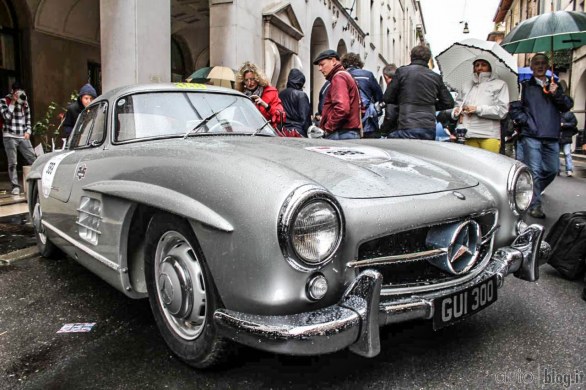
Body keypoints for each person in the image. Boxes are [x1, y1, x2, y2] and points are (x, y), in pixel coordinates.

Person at [509, 53, 574, 219]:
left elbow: (567, 106)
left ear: (548, 66)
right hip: (531, 134)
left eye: (543, 63)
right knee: (535, 171)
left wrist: (556, 94)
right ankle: (535, 205)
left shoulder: (556, 86)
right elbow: (515, 109)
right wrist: (527, 122)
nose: (539, 66)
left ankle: (527, 191)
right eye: (536, 63)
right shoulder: (523, 86)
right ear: (531, 67)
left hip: (552, 135)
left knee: (552, 170)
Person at [383, 45, 454, 140]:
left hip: (407, 125)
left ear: (411, 56)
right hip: (428, 128)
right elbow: (448, 102)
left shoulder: (402, 72)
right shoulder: (435, 77)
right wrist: (430, 105)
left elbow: (387, 97)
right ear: (428, 59)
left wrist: (403, 101)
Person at [451, 55, 509, 153]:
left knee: (489, 166)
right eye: (477, 65)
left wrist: (477, 109)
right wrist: (456, 111)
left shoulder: (500, 84)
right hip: (468, 134)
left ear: (490, 67)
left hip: (489, 135)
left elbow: (503, 111)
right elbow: (458, 104)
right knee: (469, 167)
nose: (479, 68)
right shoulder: (466, 84)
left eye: (483, 65)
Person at [312, 49, 361, 140]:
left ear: (333, 61)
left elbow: (342, 108)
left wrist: (327, 128)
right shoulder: (344, 75)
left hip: (341, 133)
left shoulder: (339, 77)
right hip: (347, 132)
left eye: (322, 64)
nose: (320, 69)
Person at [0, 82, 36, 195]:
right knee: (12, 163)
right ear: (12, 91)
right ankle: (15, 186)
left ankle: (37, 182)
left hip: (23, 135)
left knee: (33, 158)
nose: (20, 93)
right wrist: (13, 101)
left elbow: (28, 117)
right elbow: (6, 117)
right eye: (17, 91)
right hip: (9, 136)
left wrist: (28, 131)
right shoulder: (3, 101)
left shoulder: (24, 100)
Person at [340, 52, 383, 138]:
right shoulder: (367, 75)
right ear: (359, 63)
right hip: (367, 122)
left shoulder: (340, 76)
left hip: (347, 124)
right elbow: (379, 96)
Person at [236, 62, 285, 130]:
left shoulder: (270, 92)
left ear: (258, 78)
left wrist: (266, 106)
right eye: (246, 80)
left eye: (252, 79)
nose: (249, 83)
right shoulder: (242, 95)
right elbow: (237, 118)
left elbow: (280, 117)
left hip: (267, 134)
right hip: (247, 133)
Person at [278, 69, 311, 137]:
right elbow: (305, 118)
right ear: (300, 82)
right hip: (298, 132)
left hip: (283, 131)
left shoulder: (281, 94)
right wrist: (308, 133)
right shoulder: (301, 95)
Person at [380, 64, 399, 137]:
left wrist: (383, 130)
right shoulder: (402, 85)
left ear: (386, 77)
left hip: (393, 130)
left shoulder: (391, 90)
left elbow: (390, 114)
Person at [559, 111, 578, 177]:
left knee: (567, 153)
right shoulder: (556, 111)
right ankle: (558, 169)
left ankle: (569, 170)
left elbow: (574, 124)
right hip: (558, 137)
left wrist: (563, 124)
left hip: (565, 137)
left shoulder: (569, 114)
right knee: (557, 154)